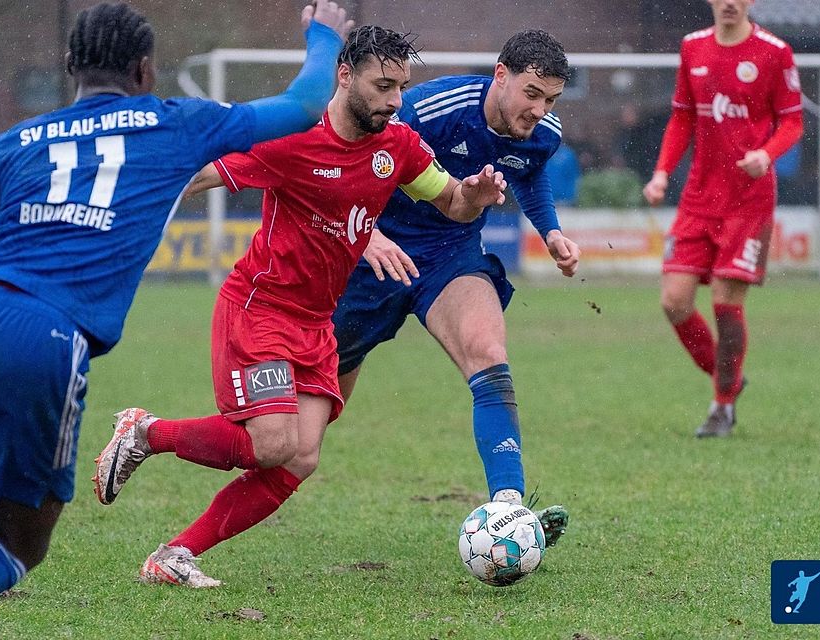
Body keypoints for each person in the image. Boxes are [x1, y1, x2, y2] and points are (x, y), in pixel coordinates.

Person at [0, 1, 353, 633]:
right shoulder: (176, 125)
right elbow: (304, 105)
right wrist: (324, 36)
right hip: (39, 337)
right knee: (15, 545)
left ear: (72, 67)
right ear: (144, 69)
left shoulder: (14, 142)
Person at [92, 25, 509, 588]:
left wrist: (474, 196)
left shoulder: (399, 146)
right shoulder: (293, 140)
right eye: (383, 86)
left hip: (316, 325)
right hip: (260, 311)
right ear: (344, 76)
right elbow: (203, 174)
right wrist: (132, 197)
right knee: (272, 443)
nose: (394, 102)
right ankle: (145, 434)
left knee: (299, 457)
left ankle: (175, 553)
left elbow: (452, 200)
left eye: (402, 88)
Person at [331, 29, 580, 519]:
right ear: (500, 76)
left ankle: (509, 508)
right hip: (374, 253)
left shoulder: (543, 132)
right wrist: (365, 231)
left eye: (550, 98)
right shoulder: (432, 108)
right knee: (308, 425)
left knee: (488, 353)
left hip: (451, 253)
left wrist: (550, 231)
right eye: (531, 94)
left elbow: (528, 170)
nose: (539, 109)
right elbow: (356, 156)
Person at [642, 0, 803, 437]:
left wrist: (766, 154)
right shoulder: (692, 47)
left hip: (748, 202)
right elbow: (682, 117)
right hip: (697, 198)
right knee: (674, 301)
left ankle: (722, 407)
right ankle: (727, 378)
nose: (730, 2)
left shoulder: (774, 51)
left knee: (725, 305)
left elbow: (792, 122)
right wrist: (660, 174)